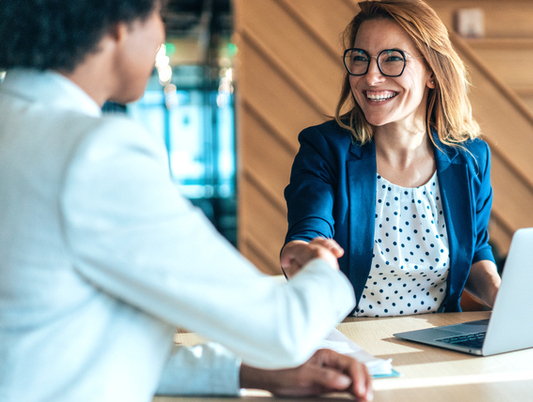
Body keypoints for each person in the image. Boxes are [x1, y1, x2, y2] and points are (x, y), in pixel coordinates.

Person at [0, 1, 372, 401]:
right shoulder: (94, 153)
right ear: (118, 26)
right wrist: (323, 270)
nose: (162, 33)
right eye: (159, 15)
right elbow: (284, 330)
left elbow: (50, 350)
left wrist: (254, 374)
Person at [281, 0, 501, 317]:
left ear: (432, 73)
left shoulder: (470, 156)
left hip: (438, 341)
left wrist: (500, 294)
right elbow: (308, 231)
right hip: (351, 342)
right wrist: (305, 254)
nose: (371, 77)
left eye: (392, 60)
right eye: (361, 59)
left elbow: (476, 249)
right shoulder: (325, 147)